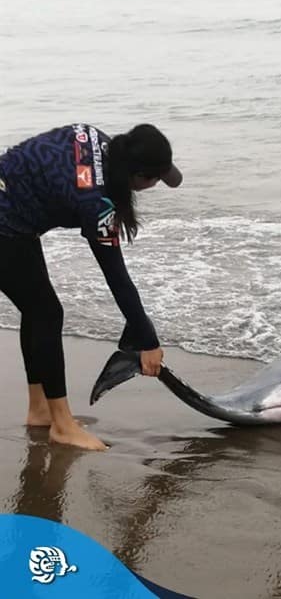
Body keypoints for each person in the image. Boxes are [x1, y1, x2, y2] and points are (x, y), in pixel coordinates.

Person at [0, 123, 182, 450]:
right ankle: (62, 425)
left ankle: (40, 409)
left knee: (38, 309)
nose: (156, 185)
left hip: (13, 217)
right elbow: (116, 276)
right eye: (156, 179)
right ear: (139, 177)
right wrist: (148, 340)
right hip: (5, 224)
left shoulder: (95, 138)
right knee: (47, 314)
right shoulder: (95, 201)